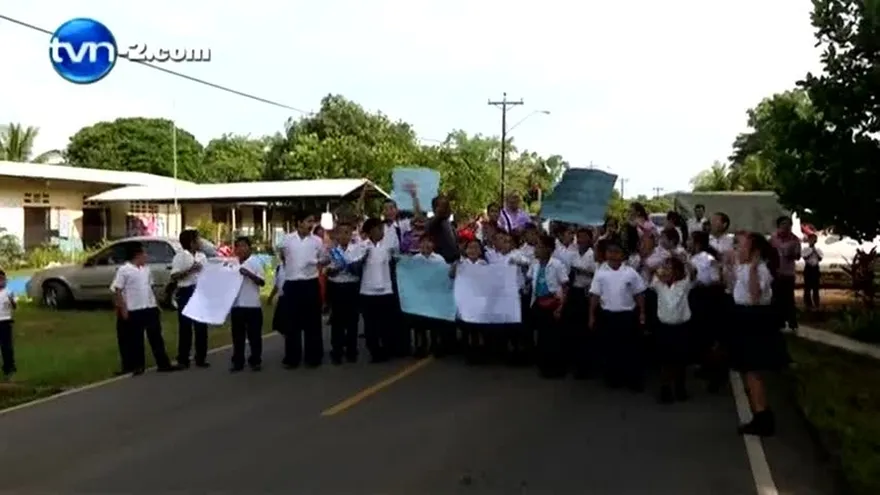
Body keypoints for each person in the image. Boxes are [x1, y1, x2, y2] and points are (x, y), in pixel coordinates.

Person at [730, 232, 788, 437]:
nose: (738, 250)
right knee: (748, 371)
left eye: (742, 247)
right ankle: (758, 414)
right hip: (744, 316)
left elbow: (755, 296)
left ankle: (763, 417)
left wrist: (754, 268)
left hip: (755, 319)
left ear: (754, 252)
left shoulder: (760, 269)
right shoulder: (743, 267)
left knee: (754, 371)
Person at [111, 242, 177, 375]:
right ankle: (137, 365)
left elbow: (149, 288)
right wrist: (123, 308)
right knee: (136, 338)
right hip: (134, 309)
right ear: (137, 255)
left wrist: (156, 304)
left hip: (149, 307)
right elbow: (118, 290)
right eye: (144, 254)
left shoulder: (146, 269)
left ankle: (163, 363)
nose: (146, 256)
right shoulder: (124, 270)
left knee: (156, 336)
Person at [589, 241, 647, 391]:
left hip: (627, 316)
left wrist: (642, 313)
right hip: (608, 316)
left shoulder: (630, 272)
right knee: (610, 349)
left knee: (630, 349)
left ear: (622, 255)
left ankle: (633, 379)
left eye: (616, 252)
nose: (613, 255)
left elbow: (639, 294)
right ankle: (613, 378)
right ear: (606, 254)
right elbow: (595, 295)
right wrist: (591, 315)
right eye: (610, 252)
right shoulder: (600, 272)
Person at [279, 212, 327, 369]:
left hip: (310, 283)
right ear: (299, 222)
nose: (311, 224)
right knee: (291, 323)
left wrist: (314, 263)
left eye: (313, 221)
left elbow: (323, 259)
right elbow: (283, 257)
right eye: (308, 221)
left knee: (312, 322)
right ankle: (292, 358)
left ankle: (313, 357)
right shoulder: (287, 240)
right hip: (292, 284)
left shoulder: (317, 241)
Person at [348, 218, 396, 363]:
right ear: (371, 231)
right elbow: (353, 268)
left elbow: (393, 264)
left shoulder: (387, 246)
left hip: (386, 290)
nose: (382, 232)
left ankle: (387, 349)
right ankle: (374, 351)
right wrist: (363, 258)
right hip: (368, 291)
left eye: (382, 229)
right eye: (379, 229)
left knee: (386, 323)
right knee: (370, 324)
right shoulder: (362, 247)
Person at [688, 231, 726, 393]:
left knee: (708, 337)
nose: (688, 243)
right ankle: (705, 366)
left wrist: (701, 284)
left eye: (690, 240)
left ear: (697, 243)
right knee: (700, 337)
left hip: (707, 299)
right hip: (696, 298)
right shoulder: (693, 258)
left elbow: (716, 280)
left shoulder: (708, 259)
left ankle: (716, 374)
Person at [527, 234, 569, 378]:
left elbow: (565, 286)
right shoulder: (535, 264)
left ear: (548, 249)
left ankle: (556, 368)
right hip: (538, 302)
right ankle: (543, 365)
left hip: (553, 303)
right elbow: (530, 279)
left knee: (553, 337)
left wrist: (560, 307)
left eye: (540, 246)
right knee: (542, 336)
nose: (536, 249)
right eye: (536, 246)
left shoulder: (557, 264)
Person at [652, 257, 692, 403]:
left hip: (681, 328)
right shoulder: (657, 284)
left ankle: (680, 388)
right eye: (665, 268)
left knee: (680, 360)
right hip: (664, 328)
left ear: (677, 271)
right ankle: (665, 389)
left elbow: (692, 272)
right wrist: (660, 269)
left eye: (670, 269)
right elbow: (652, 271)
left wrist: (685, 261)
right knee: (665, 361)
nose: (666, 271)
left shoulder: (684, 284)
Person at [170, 229, 209, 369]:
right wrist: (190, 270)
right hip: (186, 291)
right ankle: (183, 358)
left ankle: (201, 357)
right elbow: (174, 276)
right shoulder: (180, 257)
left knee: (201, 326)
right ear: (191, 242)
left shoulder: (202, 256)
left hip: (199, 290)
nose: (200, 242)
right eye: (198, 240)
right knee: (185, 326)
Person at [326, 222, 362, 364]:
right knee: (337, 321)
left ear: (351, 234)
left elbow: (358, 269)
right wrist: (334, 270)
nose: (344, 236)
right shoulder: (332, 251)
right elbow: (328, 271)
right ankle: (337, 351)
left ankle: (351, 350)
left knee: (352, 320)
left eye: (347, 233)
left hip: (352, 286)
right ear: (336, 235)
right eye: (341, 232)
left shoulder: (357, 249)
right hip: (337, 286)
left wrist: (349, 266)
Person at [451, 238, 489, 364]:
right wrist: (454, 267)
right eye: (470, 248)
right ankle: (468, 353)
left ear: (480, 251)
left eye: (476, 248)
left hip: (479, 301)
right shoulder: (461, 264)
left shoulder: (484, 264)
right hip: (465, 301)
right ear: (466, 250)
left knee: (477, 329)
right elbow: (451, 276)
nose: (473, 250)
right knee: (466, 328)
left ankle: (478, 352)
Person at [230, 237, 265, 372]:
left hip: (252, 305)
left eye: (244, 246)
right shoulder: (233, 264)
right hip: (237, 305)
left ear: (249, 248)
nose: (241, 249)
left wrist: (249, 274)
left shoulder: (255, 262)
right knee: (237, 336)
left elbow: (262, 282)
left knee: (254, 335)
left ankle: (255, 360)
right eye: (238, 246)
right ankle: (238, 361)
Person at [410, 234, 448, 357]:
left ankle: (436, 346)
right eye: (423, 242)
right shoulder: (415, 259)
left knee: (435, 324)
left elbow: (444, 277)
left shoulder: (439, 259)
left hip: (434, 296)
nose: (426, 245)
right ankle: (420, 346)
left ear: (433, 245)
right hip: (419, 297)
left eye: (429, 242)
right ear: (419, 244)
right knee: (419, 325)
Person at [567, 227, 596, 378]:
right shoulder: (573, 253)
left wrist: (582, 271)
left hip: (587, 293)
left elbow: (596, 272)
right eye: (578, 237)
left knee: (586, 329)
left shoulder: (593, 254)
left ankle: (586, 365)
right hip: (575, 292)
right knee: (575, 328)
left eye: (584, 237)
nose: (580, 240)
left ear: (589, 239)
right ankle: (576, 362)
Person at [771, 216, 801, 331]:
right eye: (783, 224)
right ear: (778, 226)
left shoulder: (794, 239)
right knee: (776, 297)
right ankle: (779, 322)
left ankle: (792, 323)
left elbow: (798, 256)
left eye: (788, 224)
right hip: (775, 272)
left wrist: (790, 254)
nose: (786, 226)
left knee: (789, 298)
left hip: (788, 272)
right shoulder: (773, 238)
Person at [0, 269, 17, 379]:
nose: (2, 281)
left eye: (3, 279)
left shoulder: (8, 292)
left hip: (5, 320)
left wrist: (12, 301)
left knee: (6, 346)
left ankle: (9, 366)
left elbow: (15, 306)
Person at [802, 233, 823, 308]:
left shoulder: (818, 249)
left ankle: (816, 303)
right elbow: (804, 257)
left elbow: (820, 258)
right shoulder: (805, 249)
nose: (812, 241)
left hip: (815, 268)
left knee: (816, 287)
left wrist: (815, 251)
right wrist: (811, 251)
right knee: (807, 287)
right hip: (808, 268)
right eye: (811, 239)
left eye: (814, 239)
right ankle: (808, 303)